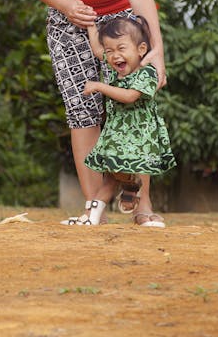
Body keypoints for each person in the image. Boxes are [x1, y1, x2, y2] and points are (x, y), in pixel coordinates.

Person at [20, 0, 168, 225]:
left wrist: (157, 51)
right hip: (67, 18)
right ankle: (93, 211)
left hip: (120, 20)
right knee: (80, 108)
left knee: (131, 108)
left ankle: (143, 207)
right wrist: (66, 4)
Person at [75, 16, 175, 227]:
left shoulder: (147, 73)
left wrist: (99, 86)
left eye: (121, 48)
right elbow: (96, 50)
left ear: (141, 49)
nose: (114, 56)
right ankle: (123, 190)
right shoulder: (114, 67)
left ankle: (103, 207)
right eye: (110, 51)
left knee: (116, 173)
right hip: (117, 133)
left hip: (139, 135)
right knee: (111, 173)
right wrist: (92, 27)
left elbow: (130, 96)